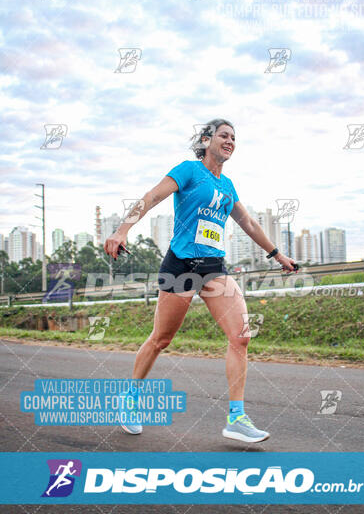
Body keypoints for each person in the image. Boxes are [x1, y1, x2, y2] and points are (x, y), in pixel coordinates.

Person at [104, 119, 297, 442]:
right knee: (161, 339)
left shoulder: (228, 186)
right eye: (224, 135)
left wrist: (278, 255)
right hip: (181, 265)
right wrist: (123, 229)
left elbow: (247, 222)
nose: (230, 141)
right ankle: (130, 400)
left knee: (241, 337)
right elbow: (151, 197)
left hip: (213, 268)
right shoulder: (189, 171)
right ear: (207, 140)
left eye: (234, 137)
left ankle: (236, 417)